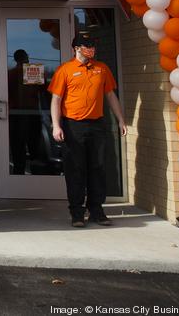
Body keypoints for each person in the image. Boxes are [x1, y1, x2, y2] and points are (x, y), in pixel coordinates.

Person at [49, 33, 127, 228]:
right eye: (87, 45)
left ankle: (96, 210)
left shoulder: (102, 69)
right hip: (73, 125)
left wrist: (121, 120)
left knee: (98, 167)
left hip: (97, 124)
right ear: (76, 48)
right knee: (75, 169)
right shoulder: (65, 70)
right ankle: (77, 212)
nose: (91, 48)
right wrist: (56, 125)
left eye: (92, 45)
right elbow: (56, 100)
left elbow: (110, 95)